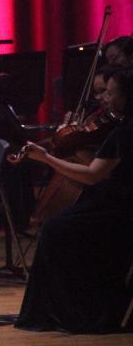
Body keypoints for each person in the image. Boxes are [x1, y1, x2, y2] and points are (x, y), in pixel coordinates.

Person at [16, 67, 133, 333]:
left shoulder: (123, 133)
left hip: (117, 211)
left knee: (54, 229)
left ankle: (67, 311)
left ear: (127, 96)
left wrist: (46, 158)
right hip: (121, 205)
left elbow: (92, 175)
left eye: (110, 93)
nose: (104, 99)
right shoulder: (120, 129)